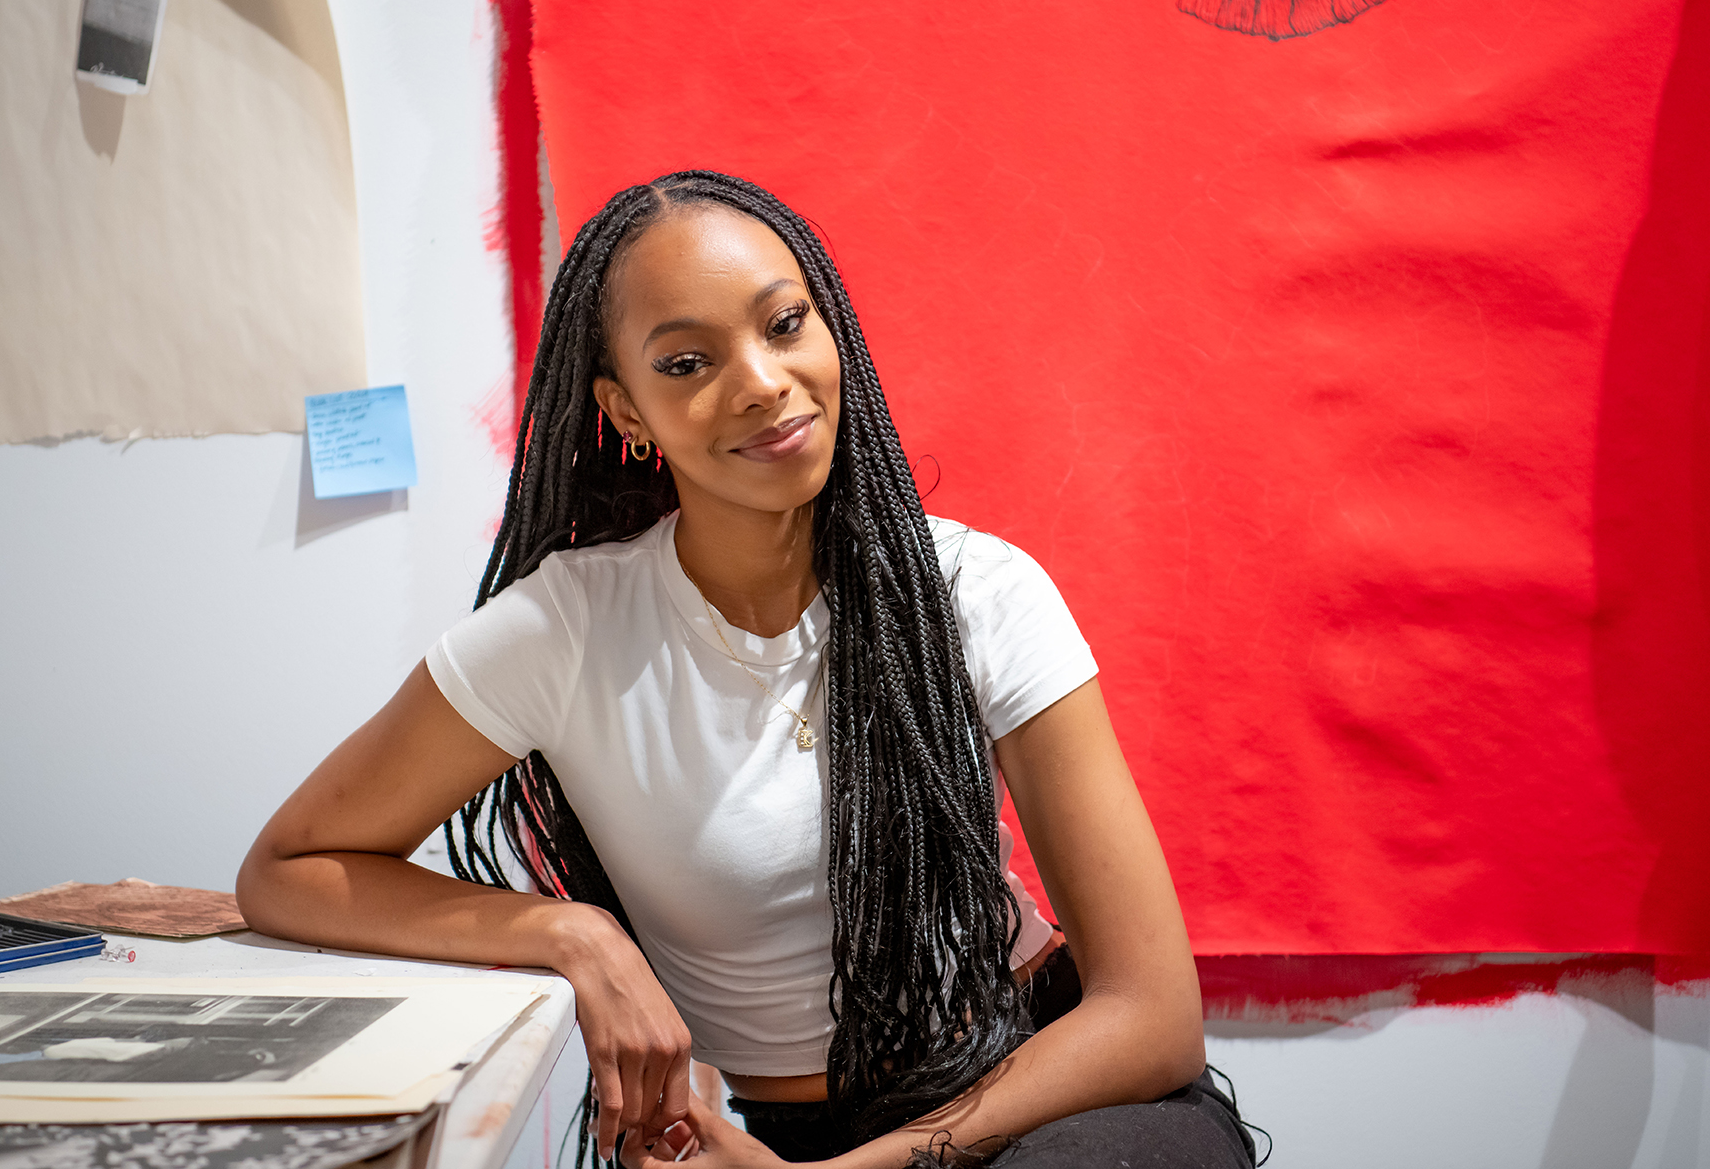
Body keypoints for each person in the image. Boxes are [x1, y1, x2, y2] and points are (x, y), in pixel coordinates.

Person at [238, 171, 1257, 1169]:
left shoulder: (979, 591)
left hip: (1045, 1086)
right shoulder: (564, 630)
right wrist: (571, 933)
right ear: (625, 409)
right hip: (772, 1138)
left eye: (784, 325)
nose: (763, 381)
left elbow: (1152, 1016)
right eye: (685, 362)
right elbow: (289, 868)